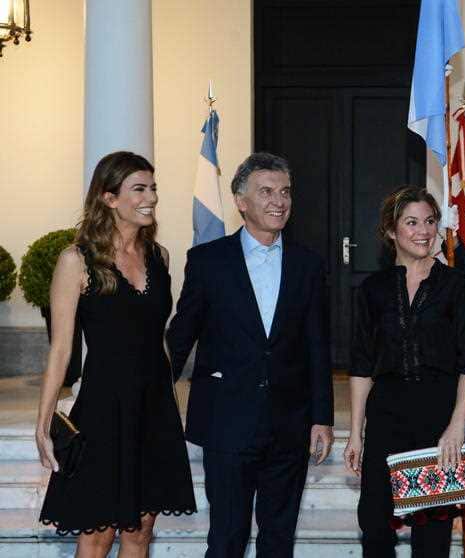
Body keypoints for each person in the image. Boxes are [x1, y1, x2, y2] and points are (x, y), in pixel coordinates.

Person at [166, 152, 334, 558]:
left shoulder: (308, 265)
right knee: (226, 538)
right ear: (241, 202)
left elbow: (317, 346)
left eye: (285, 192)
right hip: (225, 421)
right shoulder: (208, 262)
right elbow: (180, 338)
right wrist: (150, 392)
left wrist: (322, 418)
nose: (279, 201)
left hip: (289, 425)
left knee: (278, 541)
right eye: (266, 192)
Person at [37, 151, 197, 556]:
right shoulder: (77, 261)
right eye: (139, 189)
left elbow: (158, 337)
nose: (151, 198)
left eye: (153, 188)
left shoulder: (159, 258)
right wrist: (44, 424)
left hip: (154, 409)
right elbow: (61, 348)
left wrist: (170, 404)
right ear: (109, 198)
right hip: (103, 409)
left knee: (140, 532)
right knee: (97, 534)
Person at [343, 186, 465, 558]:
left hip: (437, 418)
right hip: (386, 415)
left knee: (431, 532)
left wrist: (456, 426)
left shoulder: (455, 285)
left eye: (430, 221)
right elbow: (361, 364)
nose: (423, 231)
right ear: (391, 230)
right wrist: (356, 433)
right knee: (374, 525)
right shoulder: (372, 290)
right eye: (412, 222)